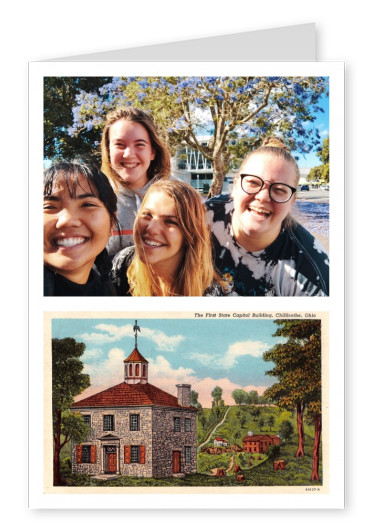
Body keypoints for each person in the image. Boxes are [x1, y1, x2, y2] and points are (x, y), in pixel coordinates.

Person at [206, 137, 329, 296]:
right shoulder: (202, 217)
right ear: (235, 186)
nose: (263, 197)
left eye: (279, 189)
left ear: (292, 201)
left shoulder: (311, 274)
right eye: (253, 183)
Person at [111, 180, 223, 296]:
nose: (151, 229)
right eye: (147, 215)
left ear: (190, 234)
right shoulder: (122, 264)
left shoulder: (209, 293)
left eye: (170, 222)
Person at [101, 106, 171, 257]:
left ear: (152, 152)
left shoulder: (176, 197)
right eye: (119, 144)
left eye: (139, 144)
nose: (129, 154)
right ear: (108, 151)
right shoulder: (96, 200)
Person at [44, 159, 119, 296]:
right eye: (50, 207)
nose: (67, 221)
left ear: (112, 223)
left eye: (87, 205)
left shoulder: (106, 291)